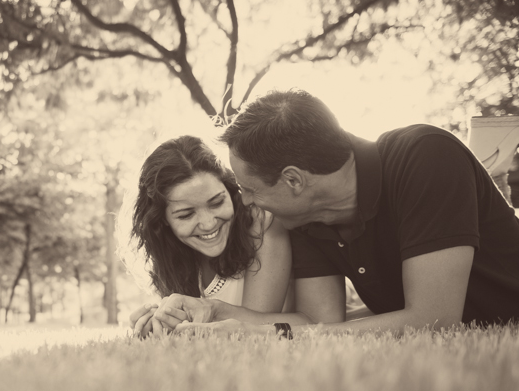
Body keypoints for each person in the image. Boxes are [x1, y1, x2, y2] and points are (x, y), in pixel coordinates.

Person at [152, 89, 519, 338]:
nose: (245, 202)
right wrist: (214, 312)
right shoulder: (305, 216)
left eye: (250, 189)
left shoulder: (425, 156)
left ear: (293, 179)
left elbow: (434, 318)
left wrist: (270, 334)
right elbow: (321, 325)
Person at [126, 135, 290, 337]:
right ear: (163, 220)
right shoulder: (172, 252)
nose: (208, 223)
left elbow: (253, 332)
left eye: (217, 203)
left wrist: (211, 311)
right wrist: (161, 321)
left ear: (230, 191)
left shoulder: (263, 223)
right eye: (186, 215)